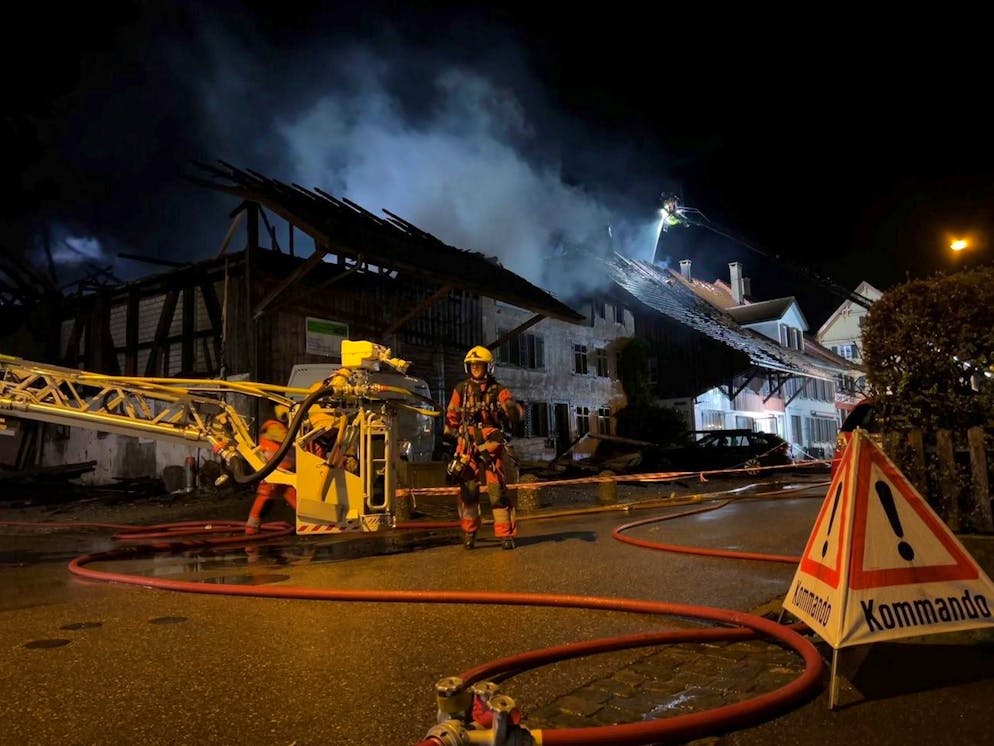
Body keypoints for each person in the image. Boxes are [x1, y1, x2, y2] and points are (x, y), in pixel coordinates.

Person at [445, 345, 523, 550]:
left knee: (497, 493)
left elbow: (510, 405)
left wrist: (513, 411)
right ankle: (469, 532)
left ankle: (505, 534)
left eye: (479, 365)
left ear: (488, 367)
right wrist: (450, 437)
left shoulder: (498, 390)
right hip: (467, 446)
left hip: (491, 446)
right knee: (468, 493)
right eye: (472, 365)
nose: (475, 368)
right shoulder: (461, 389)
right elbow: (451, 415)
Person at [244, 408, 297, 535]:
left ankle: (310, 520)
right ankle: (251, 528)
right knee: (265, 495)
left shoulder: (277, 426)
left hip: (283, 471)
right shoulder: (273, 427)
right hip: (274, 470)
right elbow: (287, 439)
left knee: (292, 494)